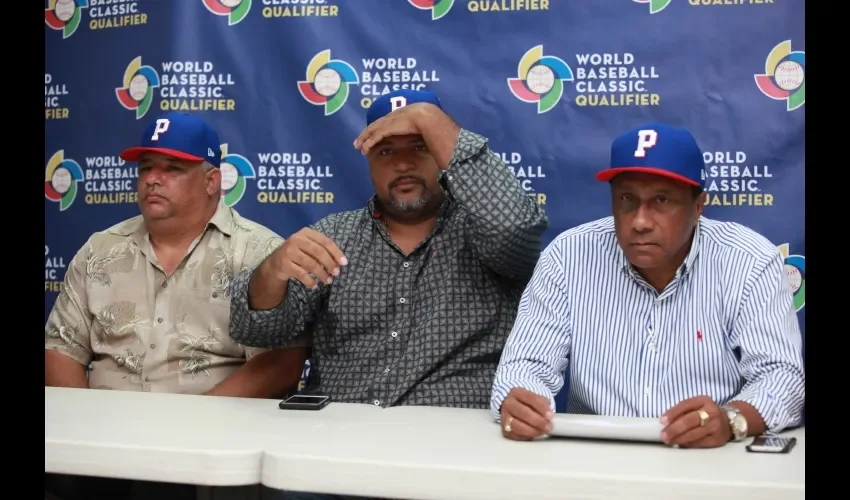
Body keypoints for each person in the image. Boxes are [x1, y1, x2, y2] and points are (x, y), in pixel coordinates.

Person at [229, 89, 549, 410]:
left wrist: (428, 118)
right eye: (385, 152)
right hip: (341, 436)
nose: (403, 163)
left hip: (452, 438)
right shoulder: (332, 235)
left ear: (441, 152)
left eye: (419, 146)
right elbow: (260, 332)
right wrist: (271, 272)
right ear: (368, 162)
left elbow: (515, 227)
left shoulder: (484, 229)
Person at [490, 123, 805, 448]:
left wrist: (731, 420)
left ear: (698, 207)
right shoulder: (568, 256)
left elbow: (781, 377)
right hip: (594, 457)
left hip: (706, 458)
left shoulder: (749, 261)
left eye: (662, 200)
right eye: (627, 199)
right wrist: (521, 401)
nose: (640, 221)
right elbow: (526, 365)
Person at [45, 112, 308, 499]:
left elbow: (281, 363)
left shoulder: (259, 253)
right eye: (147, 167)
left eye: (172, 168)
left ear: (211, 181)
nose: (153, 178)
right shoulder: (100, 249)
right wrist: (89, 431)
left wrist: (192, 423)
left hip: (210, 445)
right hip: (101, 445)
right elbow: (60, 349)